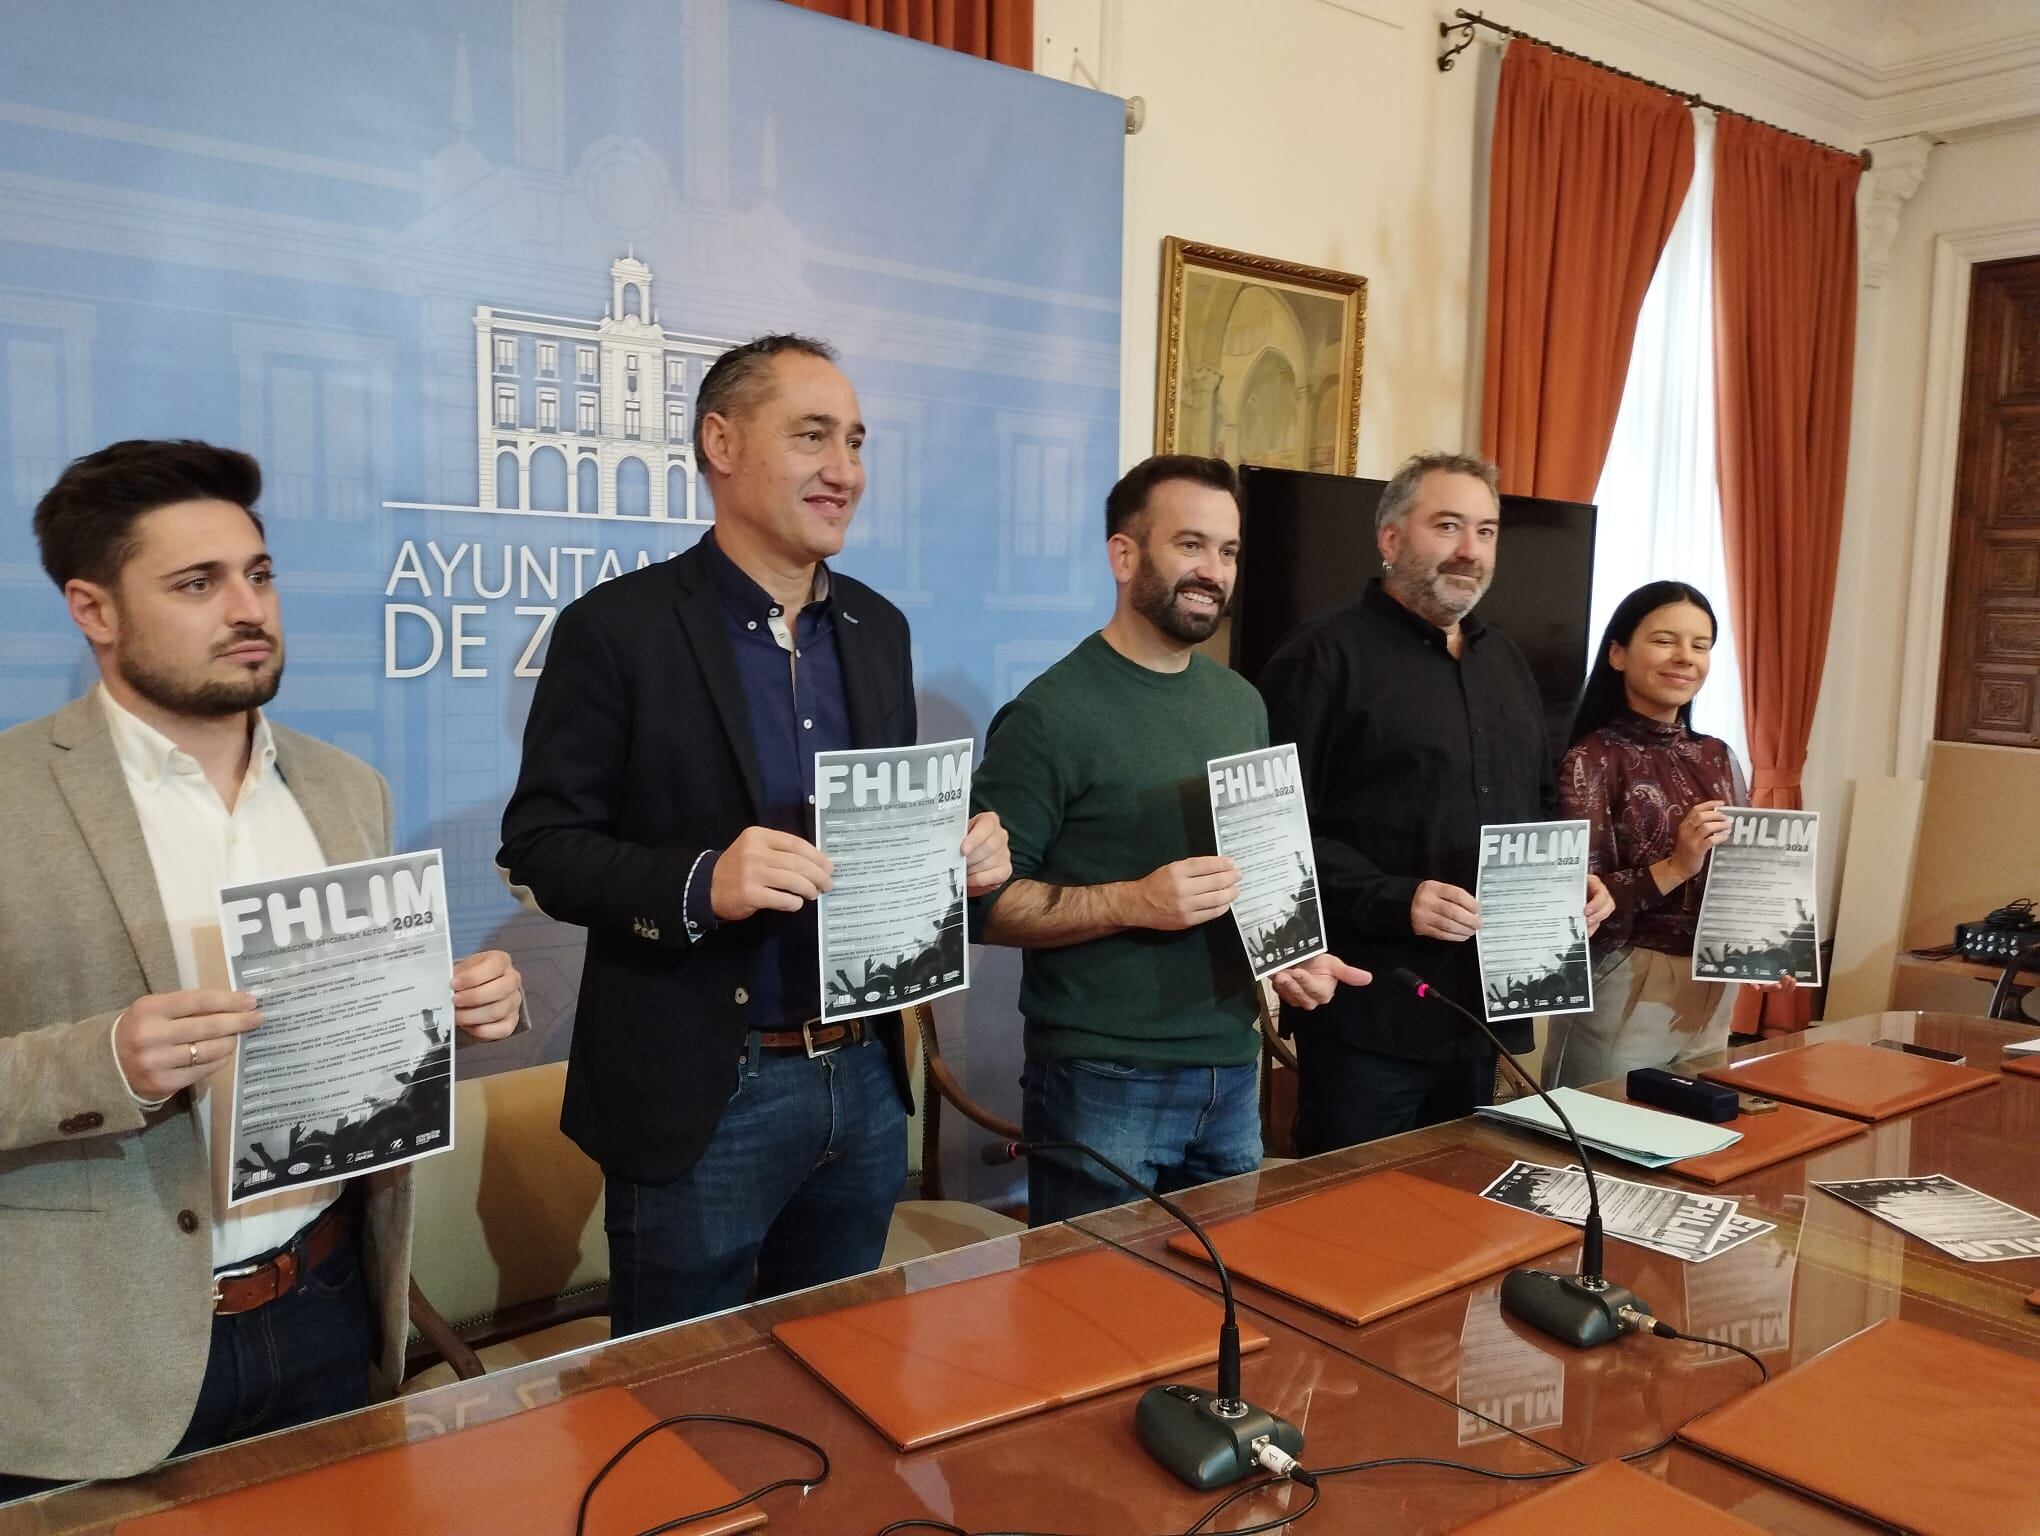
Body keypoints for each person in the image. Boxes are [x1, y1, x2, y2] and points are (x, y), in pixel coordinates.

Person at [0, 440, 524, 1497]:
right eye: (197, 584)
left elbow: (362, 1043)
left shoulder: (347, 791)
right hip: (89, 1365)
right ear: (93, 611)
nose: (248, 607)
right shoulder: (12, 798)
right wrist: (100, 1060)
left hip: (329, 1313)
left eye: (259, 573)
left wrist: (444, 1012)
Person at [499, 335, 1009, 1335]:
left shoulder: (879, 629)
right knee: (686, 1415)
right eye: (812, 436)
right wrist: (702, 883)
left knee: (834, 1378)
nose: (845, 471)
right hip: (705, 1092)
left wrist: (955, 857)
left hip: (864, 1083)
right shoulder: (616, 629)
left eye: (856, 442)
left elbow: (878, 840)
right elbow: (542, 848)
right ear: (720, 443)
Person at [971, 454, 1366, 1224]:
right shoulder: (1049, 715)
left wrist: (1288, 951)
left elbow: (1251, 873)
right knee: (1097, 1323)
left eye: (1227, 551)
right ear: (1124, 555)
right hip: (1102, 1079)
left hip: (1231, 1069)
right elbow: (984, 910)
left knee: (1219, 1319)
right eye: (1190, 545)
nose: (1213, 571)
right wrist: (1133, 901)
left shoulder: (1241, 703)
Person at [1257, 451, 1612, 1153]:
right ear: (1390, 540)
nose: (1469, 551)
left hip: (1485, 1011)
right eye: (1447, 526)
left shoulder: (1506, 662)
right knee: (1351, 1230)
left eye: (1485, 531)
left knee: (1456, 1217)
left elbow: (1535, 805)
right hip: (1370, 1011)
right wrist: (1396, 897)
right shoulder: (1319, 658)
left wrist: (1566, 877)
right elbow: (1275, 839)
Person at [1541, 581, 1754, 1087]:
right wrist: (1676, 865)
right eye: (1664, 640)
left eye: (1700, 646)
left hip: (1712, 976)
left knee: (1693, 1135)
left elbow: (1743, 874)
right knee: (1598, 1134)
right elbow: (1579, 901)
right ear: (1617, 653)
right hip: (1627, 973)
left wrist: (1771, 946)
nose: (1685, 657)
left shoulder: (1717, 755)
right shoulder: (1590, 757)